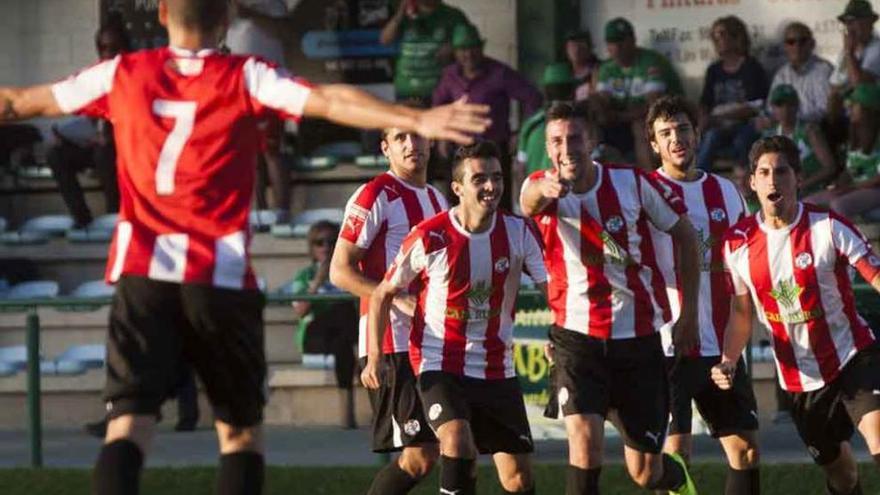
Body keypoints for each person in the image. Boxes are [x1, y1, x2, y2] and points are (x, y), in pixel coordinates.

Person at [0, 0, 489, 493]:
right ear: (227, 17)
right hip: (221, 276)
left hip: (143, 277)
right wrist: (417, 118)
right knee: (238, 435)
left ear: (164, 13)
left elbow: (18, 102)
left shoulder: (122, 73)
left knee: (128, 426)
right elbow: (328, 100)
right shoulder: (246, 75)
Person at [520, 101, 700, 495]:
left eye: (574, 138)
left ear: (593, 140)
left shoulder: (632, 183)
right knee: (584, 447)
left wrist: (687, 316)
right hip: (576, 339)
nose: (566, 148)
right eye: (556, 141)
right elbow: (527, 201)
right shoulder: (542, 186)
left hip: (637, 339)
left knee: (645, 473)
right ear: (548, 148)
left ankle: (675, 477)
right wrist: (543, 189)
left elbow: (687, 237)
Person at [363, 140, 548, 495]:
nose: (491, 187)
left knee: (518, 479)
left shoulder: (518, 232)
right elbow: (383, 293)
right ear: (458, 188)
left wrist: (562, 329)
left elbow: (550, 288)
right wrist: (375, 357)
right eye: (479, 179)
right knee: (457, 440)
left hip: (497, 366)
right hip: (440, 361)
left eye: (496, 177)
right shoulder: (430, 237)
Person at [714, 135, 880, 495]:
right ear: (752, 183)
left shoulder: (829, 226)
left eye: (782, 171)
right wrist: (728, 358)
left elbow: (875, 274)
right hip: (799, 379)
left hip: (852, 357)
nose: (773, 179)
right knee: (844, 477)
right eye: (765, 172)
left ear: (798, 179)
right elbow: (742, 312)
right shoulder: (737, 243)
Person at [645, 95, 760, 494]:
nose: (676, 138)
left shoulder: (727, 192)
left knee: (745, 451)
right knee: (675, 454)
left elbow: (747, 259)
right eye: (665, 133)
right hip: (668, 346)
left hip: (721, 344)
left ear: (697, 134)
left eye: (682, 129)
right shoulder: (645, 192)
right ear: (654, 144)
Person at [329, 124, 448, 495]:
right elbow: (339, 271)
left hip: (435, 341)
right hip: (393, 341)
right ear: (385, 148)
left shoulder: (438, 199)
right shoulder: (375, 194)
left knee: (452, 443)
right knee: (420, 456)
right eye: (401, 138)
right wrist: (397, 298)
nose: (412, 144)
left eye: (418, 135)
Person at [432, 22, 542, 210]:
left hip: (495, 149)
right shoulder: (449, 75)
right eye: (462, 50)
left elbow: (532, 97)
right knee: (458, 202)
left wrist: (522, 133)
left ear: (481, 47)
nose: (468, 55)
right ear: (455, 53)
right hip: (460, 149)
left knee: (498, 201)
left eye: (472, 48)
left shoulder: (499, 72)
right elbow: (437, 105)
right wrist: (443, 136)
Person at [48, 19, 131, 229]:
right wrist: (68, 136)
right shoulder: (94, 76)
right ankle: (82, 219)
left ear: (125, 48)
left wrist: (110, 137)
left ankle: (114, 218)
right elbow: (84, 115)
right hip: (98, 147)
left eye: (115, 49)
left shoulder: (136, 75)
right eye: (103, 49)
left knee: (104, 151)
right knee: (56, 154)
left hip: (126, 149)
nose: (109, 55)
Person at [283, 220, 357, 429]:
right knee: (340, 311)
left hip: (343, 337)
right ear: (311, 247)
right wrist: (317, 281)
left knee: (342, 344)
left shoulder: (349, 272)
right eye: (319, 242)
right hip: (315, 337)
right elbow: (301, 310)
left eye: (331, 242)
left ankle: (347, 411)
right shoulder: (305, 276)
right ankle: (362, 360)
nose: (325, 247)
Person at [225, 0, 292, 224]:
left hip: (269, 83)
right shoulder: (226, 6)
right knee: (247, 152)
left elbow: (285, 31)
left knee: (272, 149)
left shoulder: (273, 3)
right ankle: (258, 213)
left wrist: (250, 13)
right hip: (237, 83)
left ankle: (281, 211)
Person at [593, 17, 683, 170]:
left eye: (622, 41)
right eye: (613, 42)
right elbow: (602, 101)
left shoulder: (651, 61)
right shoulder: (606, 68)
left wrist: (617, 116)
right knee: (589, 121)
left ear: (633, 40)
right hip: (620, 122)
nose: (618, 46)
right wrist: (599, 110)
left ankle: (649, 182)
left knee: (641, 125)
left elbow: (653, 105)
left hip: (665, 118)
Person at [696, 16, 768, 173]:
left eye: (721, 34)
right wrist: (703, 120)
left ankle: (745, 183)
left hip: (745, 122)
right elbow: (705, 103)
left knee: (742, 140)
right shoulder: (713, 70)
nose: (716, 40)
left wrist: (719, 118)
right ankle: (696, 181)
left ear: (736, 37)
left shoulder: (751, 67)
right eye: (714, 36)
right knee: (709, 137)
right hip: (719, 125)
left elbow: (755, 107)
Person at [806, 83, 880, 217]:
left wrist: (850, 188)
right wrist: (839, 183)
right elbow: (851, 169)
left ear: (868, 109)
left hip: (875, 190)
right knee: (809, 203)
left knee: (839, 205)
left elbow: (877, 179)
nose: (849, 108)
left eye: (854, 105)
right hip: (857, 187)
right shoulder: (854, 132)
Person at [380, 0, 470, 106]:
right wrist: (400, 14)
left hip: (441, 89)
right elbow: (385, 40)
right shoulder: (405, 14)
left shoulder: (453, 15)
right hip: (407, 89)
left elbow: (468, 45)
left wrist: (453, 47)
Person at [513, 62, 578, 202]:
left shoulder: (530, 125)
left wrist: (523, 201)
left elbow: (519, 168)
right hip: (566, 201)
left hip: (538, 201)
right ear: (573, 91)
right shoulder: (580, 124)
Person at [763, 84, 838, 197]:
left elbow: (830, 167)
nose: (785, 110)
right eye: (779, 105)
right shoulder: (770, 135)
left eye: (790, 105)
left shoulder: (810, 131)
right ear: (772, 108)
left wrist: (802, 185)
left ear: (797, 106)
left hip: (813, 190)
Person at [828, 0, 880, 155]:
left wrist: (850, 53)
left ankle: (862, 159)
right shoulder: (847, 52)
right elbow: (834, 84)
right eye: (848, 22)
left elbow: (860, 84)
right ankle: (842, 156)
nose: (851, 27)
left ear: (870, 22)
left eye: (856, 21)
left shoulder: (877, 47)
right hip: (849, 106)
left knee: (860, 103)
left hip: (872, 108)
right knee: (833, 101)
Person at [766, 22, 833, 124]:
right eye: (791, 42)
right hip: (788, 128)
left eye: (802, 41)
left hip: (817, 128)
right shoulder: (781, 74)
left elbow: (826, 111)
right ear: (785, 47)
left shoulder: (823, 70)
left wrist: (797, 121)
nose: (797, 46)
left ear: (812, 44)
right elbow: (771, 108)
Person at [564, 30, 601, 102]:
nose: (576, 50)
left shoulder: (599, 69)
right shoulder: (563, 72)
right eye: (572, 46)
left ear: (589, 48)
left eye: (581, 46)